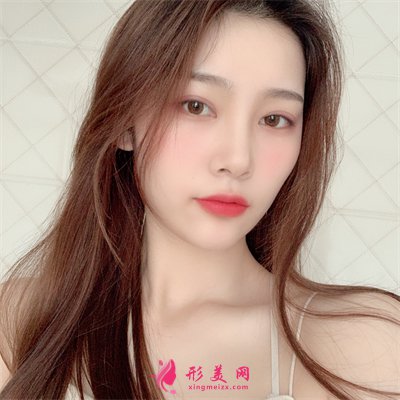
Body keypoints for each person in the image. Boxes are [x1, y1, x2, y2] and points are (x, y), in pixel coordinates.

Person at [0, 1, 399, 399]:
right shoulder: (22, 321)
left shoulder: (360, 344)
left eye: (274, 119)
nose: (238, 160)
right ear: (124, 121)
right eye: (197, 106)